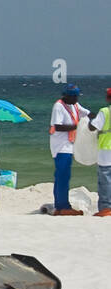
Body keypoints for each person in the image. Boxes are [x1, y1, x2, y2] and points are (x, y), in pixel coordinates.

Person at [50, 83, 88, 216]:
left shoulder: (75, 105)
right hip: (61, 146)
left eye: (77, 96)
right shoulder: (59, 106)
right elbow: (58, 126)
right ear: (66, 96)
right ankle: (63, 206)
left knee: (62, 176)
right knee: (63, 176)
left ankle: (59, 206)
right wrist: (77, 126)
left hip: (69, 145)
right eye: (73, 96)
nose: (76, 99)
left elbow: (87, 114)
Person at [87, 87, 111, 217]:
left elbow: (93, 127)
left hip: (106, 150)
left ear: (108, 98)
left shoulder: (105, 111)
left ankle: (106, 208)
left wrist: (89, 122)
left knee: (105, 180)